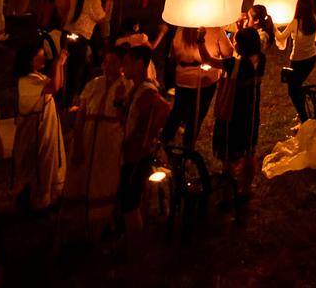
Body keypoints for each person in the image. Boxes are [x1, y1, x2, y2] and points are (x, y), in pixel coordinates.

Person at [62, 47, 128, 239]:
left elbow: (126, 120)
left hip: (109, 140)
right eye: (106, 62)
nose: (108, 66)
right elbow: (81, 114)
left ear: (122, 66)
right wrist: (79, 140)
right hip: (89, 136)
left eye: (113, 62)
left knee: (104, 179)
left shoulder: (127, 86)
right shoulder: (93, 85)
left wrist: (119, 102)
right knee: (81, 178)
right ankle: (79, 223)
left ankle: (103, 222)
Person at [116, 45, 171, 236]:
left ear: (140, 64)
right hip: (131, 152)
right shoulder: (136, 88)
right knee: (133, 200)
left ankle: (135, 248)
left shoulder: (146, 90)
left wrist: (147, 136)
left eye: (128, 62)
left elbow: (164, 108)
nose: (123, 67)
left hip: (137, 154)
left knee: (130, 203)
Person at [214, 26, 266, 219]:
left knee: (228, 154)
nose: (234, 43)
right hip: (251, 112)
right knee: (249, 148)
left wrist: (201, 41)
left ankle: (227, 194)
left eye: (237, 41)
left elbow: (209, 60)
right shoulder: (261, 59)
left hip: (234, 113)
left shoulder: (236, 64)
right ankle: (245, 188)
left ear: (242, 45)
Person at [12, 41, 67, 211]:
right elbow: (54, 87)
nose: (44, 58)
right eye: (40, 56)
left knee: (48, 160)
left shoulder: (37, 76)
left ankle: (47, 197)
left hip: (46, 128)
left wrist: (61, 65)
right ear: (30, 60)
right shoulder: (26, 81)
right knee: (37, 165)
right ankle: (36, 201)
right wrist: (57, 64)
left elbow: (59, 84)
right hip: (35, 133)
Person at [161, 26, 228, 148]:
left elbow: (173, 55)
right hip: (206, 79)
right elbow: (228, 52)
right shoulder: (215, 29)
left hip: (183, 77)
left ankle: (165, 140)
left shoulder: (181, 28)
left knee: (178, 110)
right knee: (197, 114)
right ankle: (187, 145)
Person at [276, 0, 316, 123]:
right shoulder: (313, 20)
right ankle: (303, 114)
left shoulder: (295, 22)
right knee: (297, 86)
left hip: (298, 61)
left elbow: (281, 37)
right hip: (311, 58)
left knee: (292, 90)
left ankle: (304, 118)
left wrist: (273, 27)